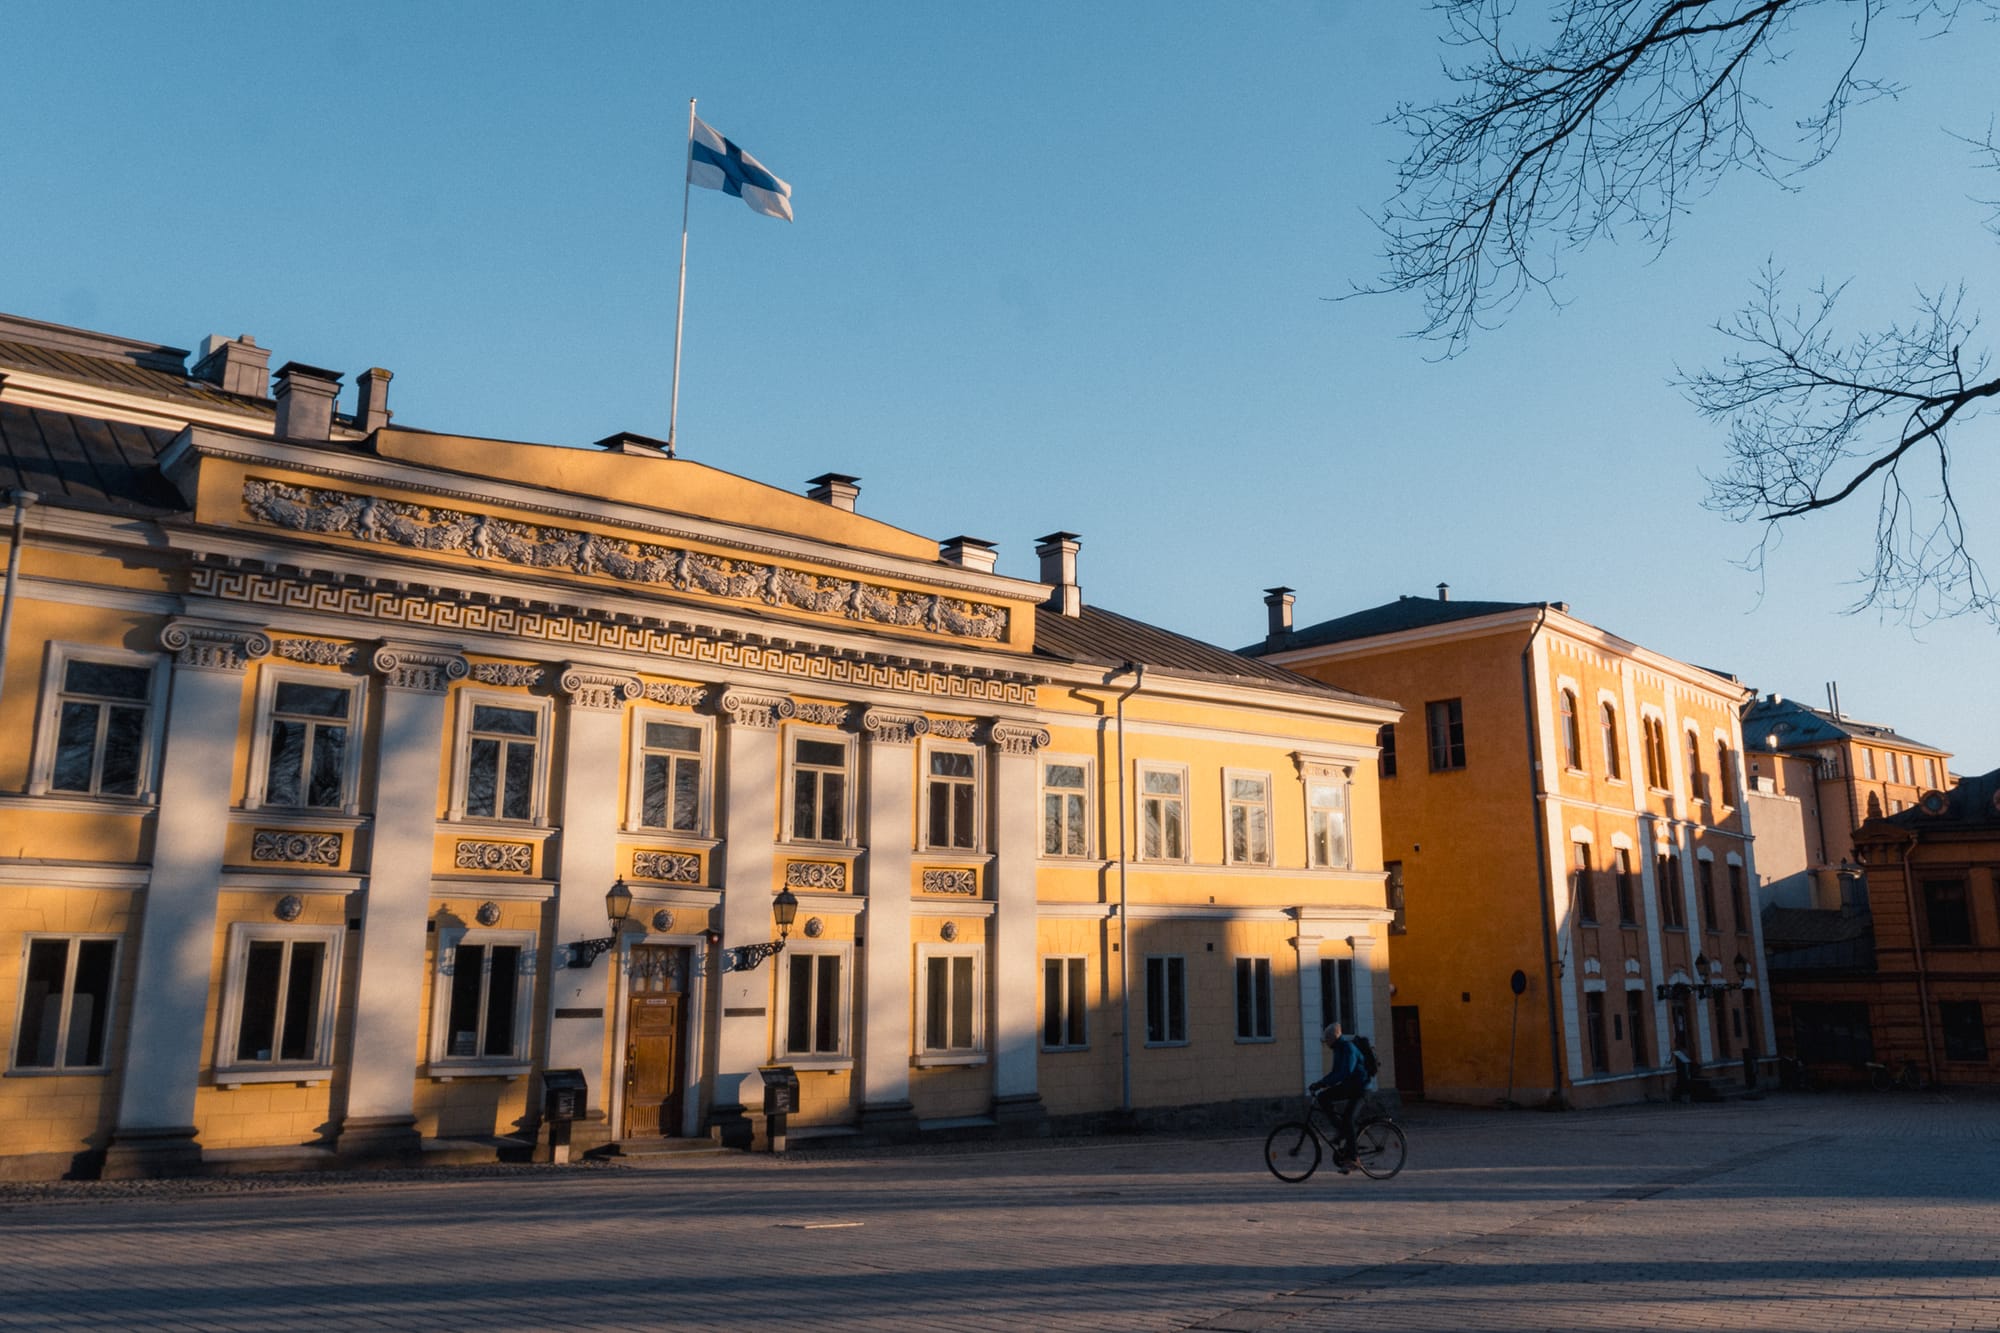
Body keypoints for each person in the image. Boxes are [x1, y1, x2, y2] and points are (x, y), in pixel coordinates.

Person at [1308, 1021, 1370, 1170]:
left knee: (1348, 1119)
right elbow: (1335, 1072)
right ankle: (1341, 1130)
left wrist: (1323, 1083)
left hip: (1361, 1089)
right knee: (1323, 1097)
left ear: (1334, 1037)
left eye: (1327, 1039)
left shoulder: (1348, 1048)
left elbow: (1345, 1072)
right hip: (1350, 1087)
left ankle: (1354, 1158)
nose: (1326, 1042)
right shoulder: (1337, 1049)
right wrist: (1321, 1083)